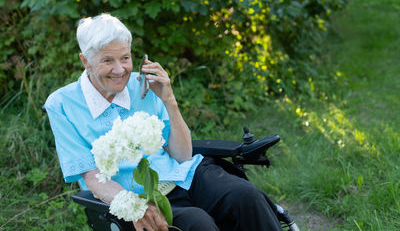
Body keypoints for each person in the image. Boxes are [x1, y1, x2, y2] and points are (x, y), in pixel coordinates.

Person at [45, 13, 282, 231]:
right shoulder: (62, 105)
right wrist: (133, 207)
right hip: (137, 198)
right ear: (85, 61)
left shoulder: (144, 84)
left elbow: (183, 155)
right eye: (108, 60)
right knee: (198, 224)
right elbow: (92, 178)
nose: (120, 70)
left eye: (125, 58)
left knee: (246, 197)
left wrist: (169, 100)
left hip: (183, 175)